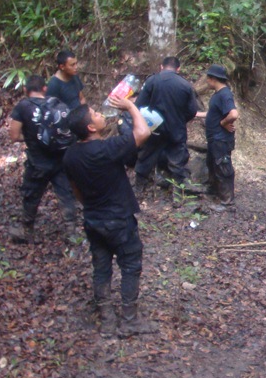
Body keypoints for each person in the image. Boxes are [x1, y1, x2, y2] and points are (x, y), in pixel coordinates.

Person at [63, 96, 157, 337]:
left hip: (93, 219)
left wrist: (91, 205)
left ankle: (106, 318)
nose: (100, 114)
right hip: (119, 219)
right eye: (95, 113)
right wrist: (130, 107)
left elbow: (75, 190)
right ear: (90, 128)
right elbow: (143, 132)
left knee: (101, 267)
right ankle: (129, 320)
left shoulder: (70, 155)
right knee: (130, 265)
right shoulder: (107, 149)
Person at [7, 75, 79, 242]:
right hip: (60, 159)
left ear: (25, 90)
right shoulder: (56, 104)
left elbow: (14, 135)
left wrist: (31, 138)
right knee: (66, 194)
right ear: (45, 89)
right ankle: (72, 232)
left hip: (37, 162)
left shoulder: (23, 106)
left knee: (31, 194)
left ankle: (27, 230)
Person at [133, 56, 200, 195]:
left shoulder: (152, 81)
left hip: (154, 129)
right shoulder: (186, 85)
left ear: (161, 67)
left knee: (146, 156)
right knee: (177, 161)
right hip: (176, 129)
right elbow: (192, 111)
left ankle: (139, 190)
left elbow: (139, 105)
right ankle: (178, 195)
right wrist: (181, 120)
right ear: (178, 69)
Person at [203, 65, 238, 209]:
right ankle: (215, 191)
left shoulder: (225, 94)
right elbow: (213, 113)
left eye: (208, 79)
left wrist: (223, 123)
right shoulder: (218, 94)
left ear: (213, 79)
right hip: (214, 139)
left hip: (221, 139)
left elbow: (234, 114)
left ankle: (227, 201)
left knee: (223, 167)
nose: (206, 82)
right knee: (212, 164)